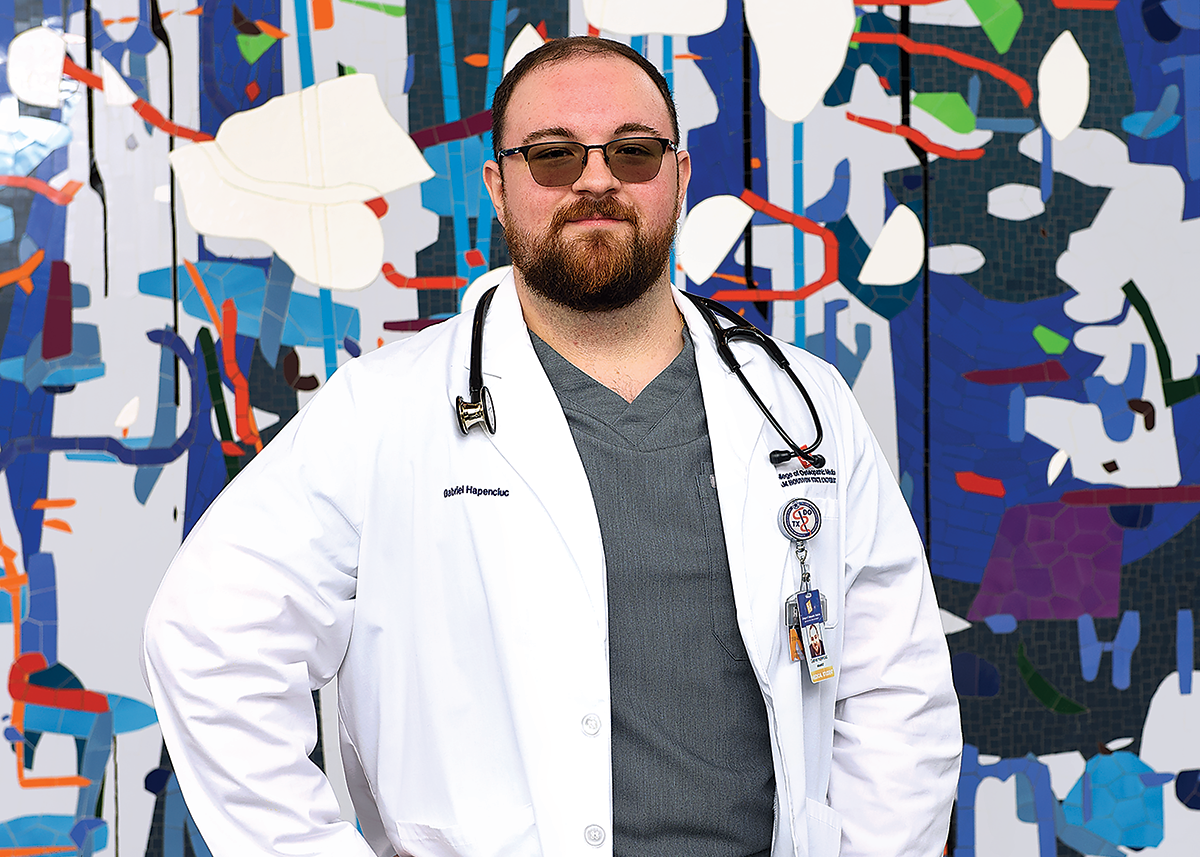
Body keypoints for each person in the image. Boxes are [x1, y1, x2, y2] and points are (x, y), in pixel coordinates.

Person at [142, 36, 961, 857]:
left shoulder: (802, 404)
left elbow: (899, 694)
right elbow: (209, 641)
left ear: (679, 176)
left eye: (634, 153)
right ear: (499, 186)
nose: (596, 179)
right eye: (553, 155)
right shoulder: (382, 412)